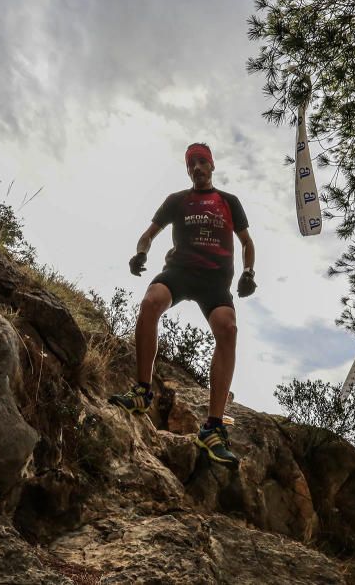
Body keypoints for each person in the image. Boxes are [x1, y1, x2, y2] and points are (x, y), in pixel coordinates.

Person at [109, 142, 256, 469]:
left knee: (228, 329)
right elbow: (149, 234)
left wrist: (248, 272)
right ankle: (142, 392)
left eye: (202, 162)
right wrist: (141, 253)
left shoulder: (229, 202)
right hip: (179, 272)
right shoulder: (177, 201)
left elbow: (246, 242)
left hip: (215, 281)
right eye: (192, 164)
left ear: (212, 165)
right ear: (188, 169)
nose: (197, 168)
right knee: (151, 303)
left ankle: (213, 427)